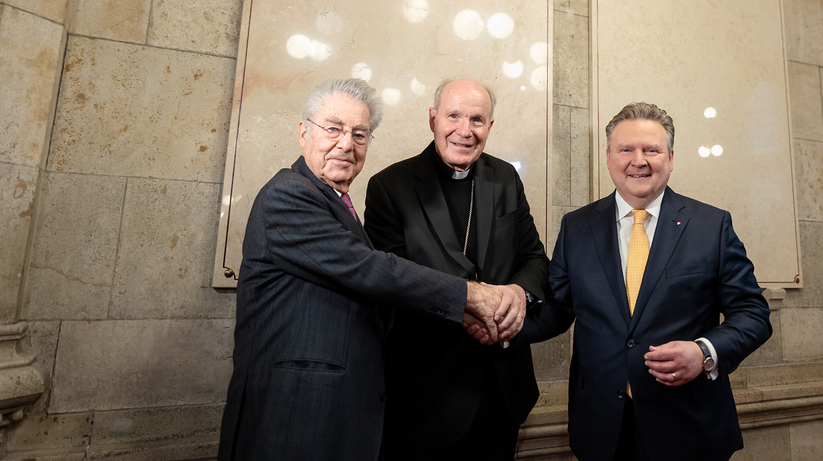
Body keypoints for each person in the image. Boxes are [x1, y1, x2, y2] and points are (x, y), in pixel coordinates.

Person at [218, 78, 510, 461]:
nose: (346, 144)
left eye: (359, 134)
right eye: (333, 128)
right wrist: (472, 295)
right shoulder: (288, 194)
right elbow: (371, 270)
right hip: (293, 419)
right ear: (304, 132)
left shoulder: (336, 203)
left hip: (335, 417)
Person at [511, 101, 771, 461]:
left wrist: (704, 353)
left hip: (688, 426)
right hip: (601, 426)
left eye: (651, 150)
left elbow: (753, 313)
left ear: (671, 158)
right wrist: (497, 324)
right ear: (609, 158)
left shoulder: (711, 226)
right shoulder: (576, 226)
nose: (639, 161)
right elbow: (557, 308)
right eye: (626, 150)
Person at [364, 78, 550, 461]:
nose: (465, 131)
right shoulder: (390, 187)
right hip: (426, 398)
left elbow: (534, 258)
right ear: (432, 119)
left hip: (502, 393)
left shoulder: (505, 178)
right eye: (453, 116)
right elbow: (389, 286)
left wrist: (519, 293)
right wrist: (467, 309)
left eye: (477, 120)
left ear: (490, 126)